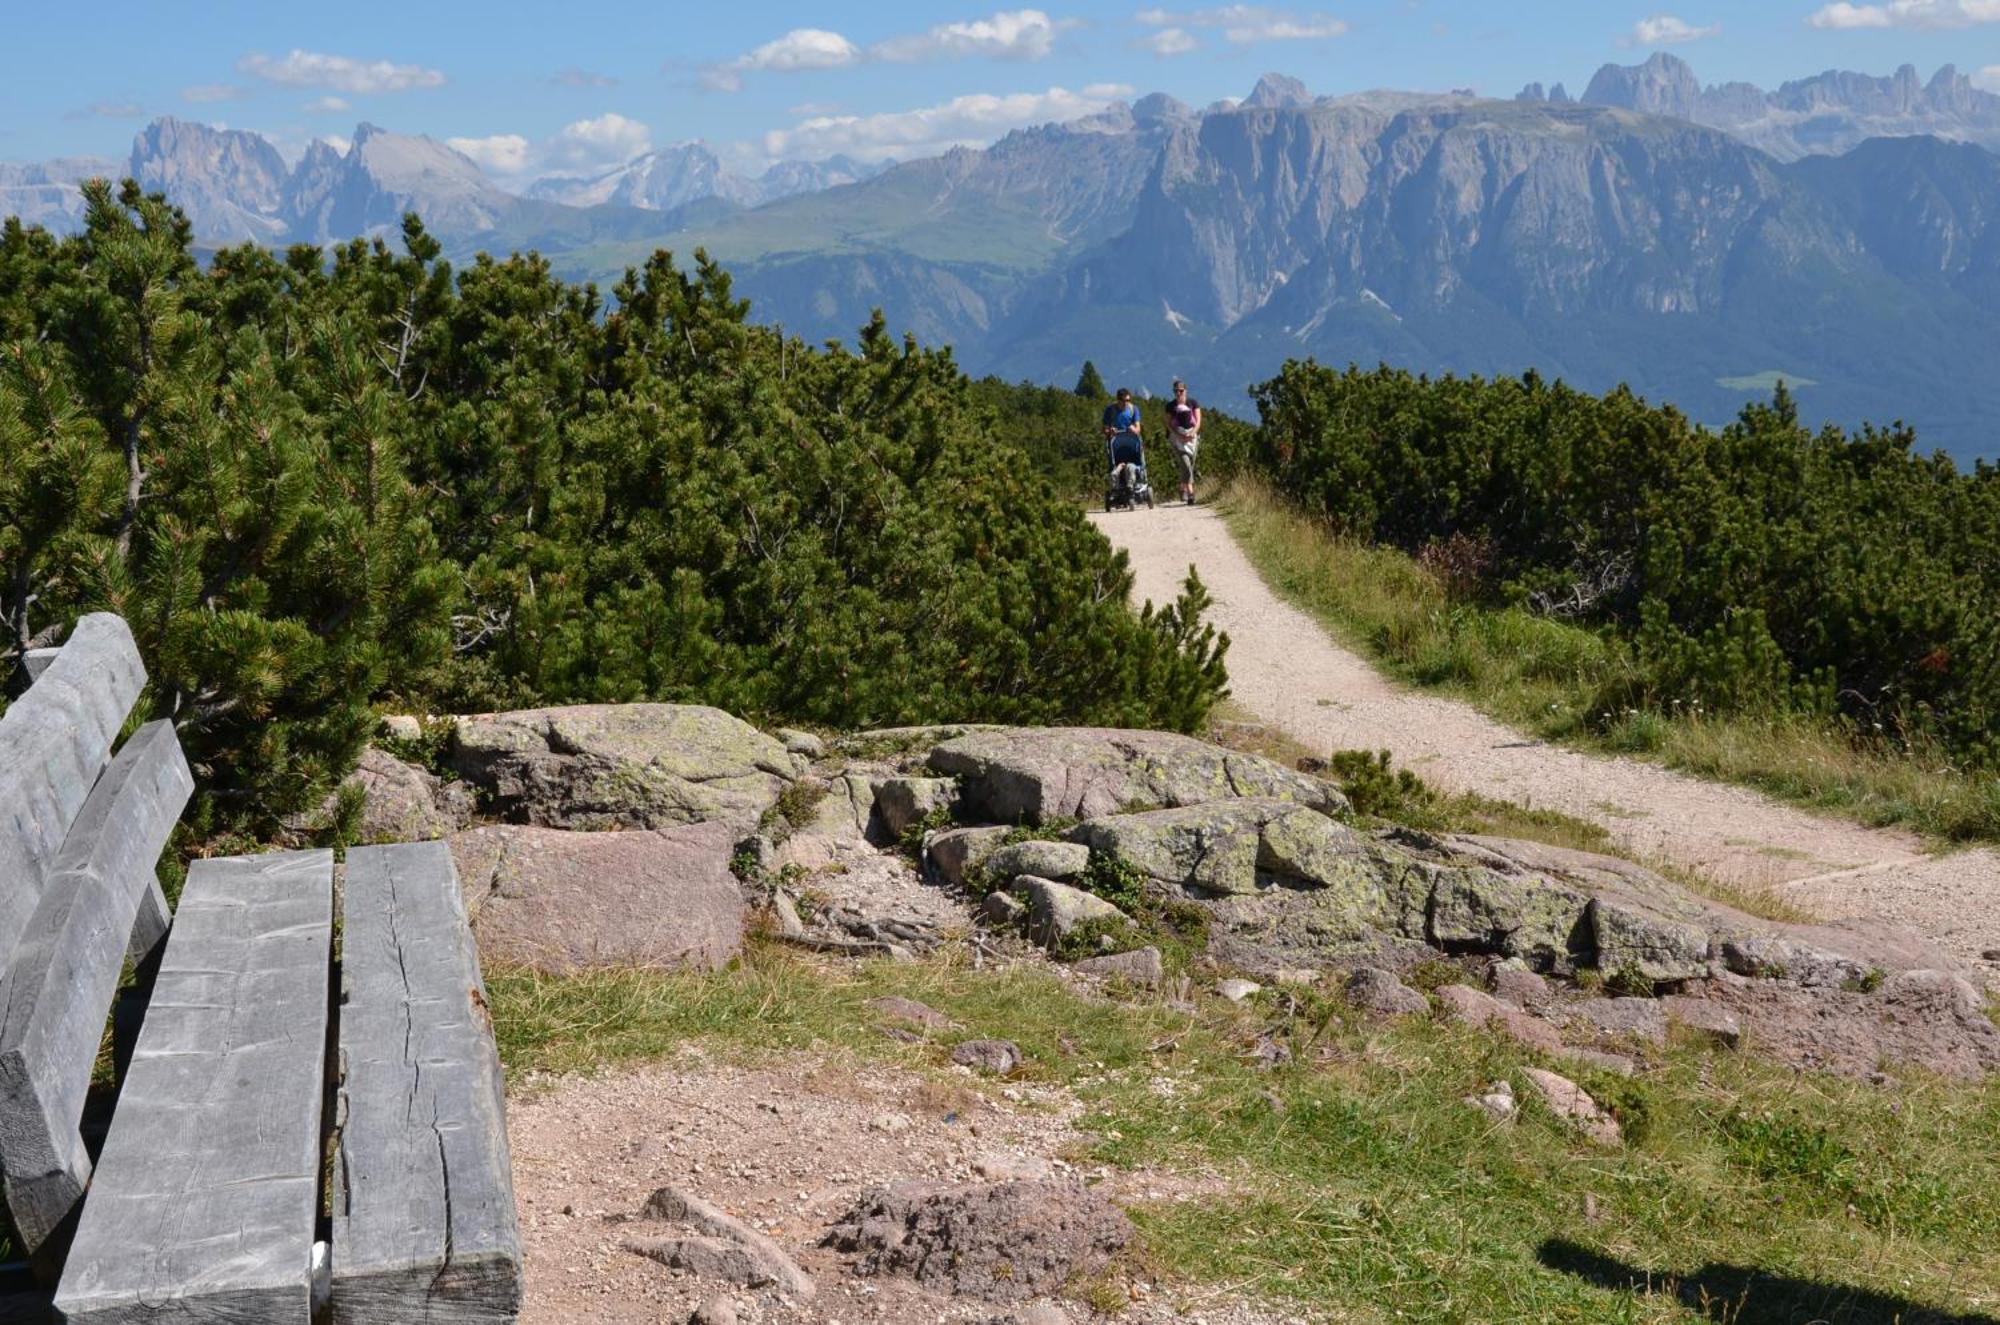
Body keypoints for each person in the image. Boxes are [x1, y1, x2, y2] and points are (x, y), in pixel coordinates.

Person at [1166, 378, 1202, 504]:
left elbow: (1198, 421)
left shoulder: (1193, 403)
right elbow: (1169, 424)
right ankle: (1190, 492)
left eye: (1181, 390)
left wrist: (1192, 432)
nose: (1178, 393)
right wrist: (1178, 435)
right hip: (1177, 439)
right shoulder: (1170, 406)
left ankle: (1182, 486)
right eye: (1176, 391)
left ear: (1185, 391)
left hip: (1192, 439)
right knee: (1186, 464)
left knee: (1189, 464)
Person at [1101, 386, 1146, 485]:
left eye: (1128, 400)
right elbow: (1104, 429)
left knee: (1134, 463)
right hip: (1116, 443)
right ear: (1118, 400)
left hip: (1132, 442)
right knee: (1115, 462)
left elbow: (1138, 428)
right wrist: (1110, 431)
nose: (1126, 402)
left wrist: (1134, 429)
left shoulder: (1133, 409)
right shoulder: (1110, 410)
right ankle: (1117, 481)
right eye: (1124, 400)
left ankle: (1136, 481)